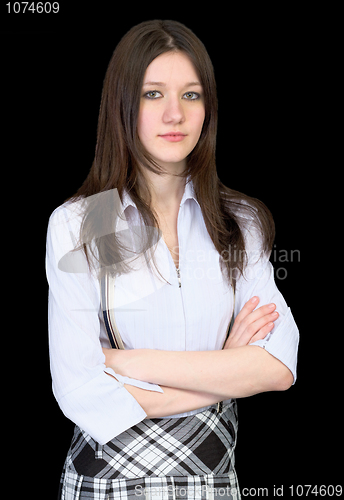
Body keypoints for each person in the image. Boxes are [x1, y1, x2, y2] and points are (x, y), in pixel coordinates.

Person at [46, 20, 299, 500]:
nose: (173, 115)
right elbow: (79, 390)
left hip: (214, 483)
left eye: (190, 95)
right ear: (123, 104)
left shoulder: (239, 221)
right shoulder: (84, 223)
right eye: (152, 94)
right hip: (108, 486)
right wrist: (227, 370)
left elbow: (279, 365)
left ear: (208, 108)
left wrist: (123, 363)